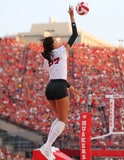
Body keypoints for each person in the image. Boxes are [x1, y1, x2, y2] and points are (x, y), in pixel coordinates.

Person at [39, 5, 80, 160]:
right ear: (54, 45)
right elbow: (75, 34)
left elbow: (56, 76)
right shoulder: (62, 51)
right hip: (59, 86)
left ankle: (47, 147)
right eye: (56, 41)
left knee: (58, 118)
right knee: (62, 121)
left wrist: (73, 89)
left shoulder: (47, 57)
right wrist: (72, 17)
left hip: (50, 88)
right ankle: (47, 146)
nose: (58, 41)